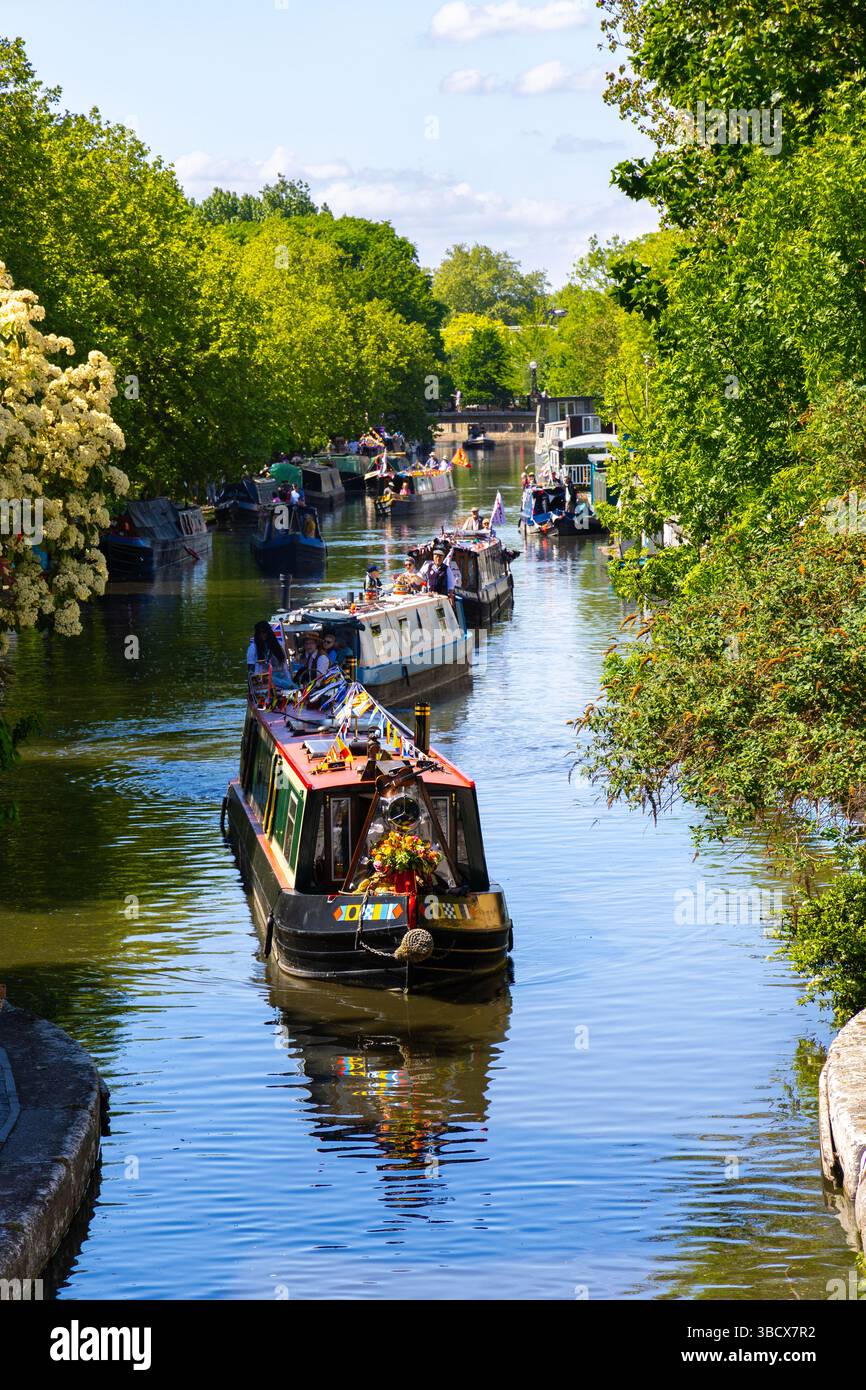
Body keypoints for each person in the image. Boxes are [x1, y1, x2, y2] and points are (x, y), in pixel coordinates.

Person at [247, 621, 289, 685]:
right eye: (259, 633)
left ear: (269, 632)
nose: (262, 635)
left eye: (264, 632)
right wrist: (251, 688)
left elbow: (284, 666)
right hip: (262, 682)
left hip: (282, 678)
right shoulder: (253, 648)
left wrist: (288, 679)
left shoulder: (279, 645)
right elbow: (250, 671)